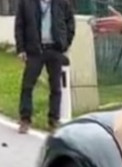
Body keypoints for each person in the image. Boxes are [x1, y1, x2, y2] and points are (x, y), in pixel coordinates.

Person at [14, 0, 75, 133]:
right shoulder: (26, 3)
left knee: (56, 87)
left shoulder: (62, 3)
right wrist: (21, 49)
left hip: (55, 49)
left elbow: (70, 23)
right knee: (27, 85)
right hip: (35, 50)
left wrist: (65, 44)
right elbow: (20, 25)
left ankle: (53, 120)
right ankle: (25, 119)